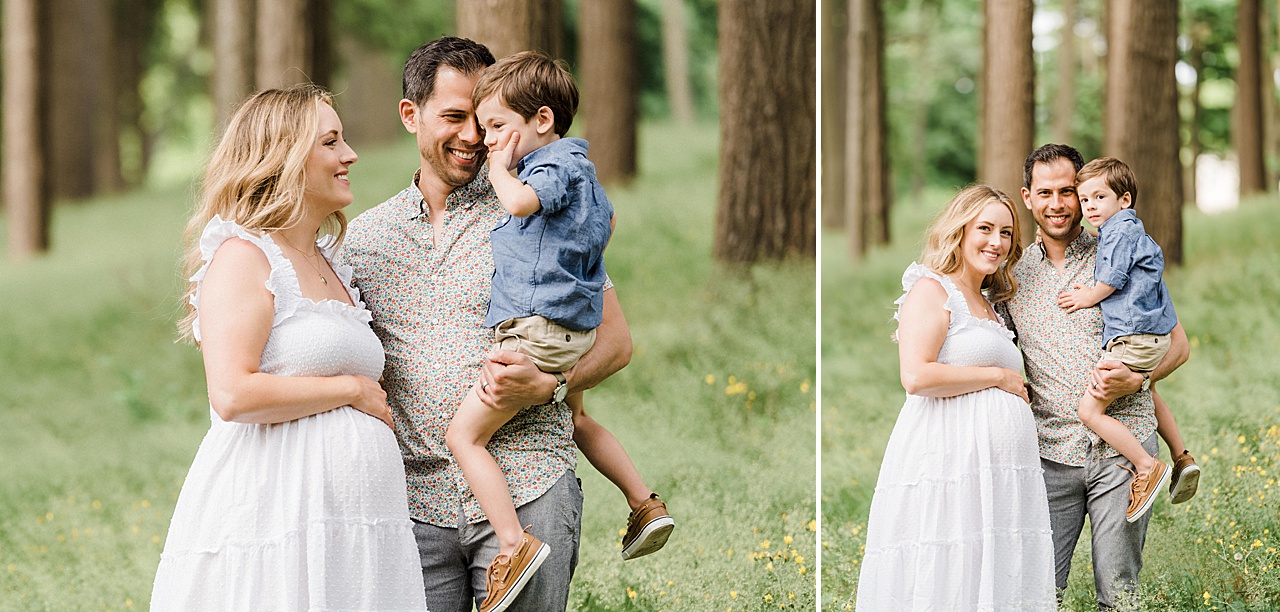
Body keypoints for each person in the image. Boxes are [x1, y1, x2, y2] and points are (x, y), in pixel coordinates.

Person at [341, 37, 633, 612]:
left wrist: (553, 385)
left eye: (482, 120)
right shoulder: (366, 239)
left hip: (528, 483)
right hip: (411, 504)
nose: (474, 137)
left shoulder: (536, 206)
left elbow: (617, 343)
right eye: (454, 117)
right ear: (410, 115)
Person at [151, 85, 426, 611]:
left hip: (357, 535)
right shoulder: (244, 256)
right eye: (330, 142)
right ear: (285, 156)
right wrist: (349, 390)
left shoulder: (334, 264)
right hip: (276, 517)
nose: (350, 155)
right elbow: (232, 393)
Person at [440, 50, 673, 610]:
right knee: (577, 416)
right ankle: (644, 503)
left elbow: (519, 204)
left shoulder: (543, 169)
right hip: (573, 325)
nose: (487, 139)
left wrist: (499, 171)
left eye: (497, 127)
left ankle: (514, 545)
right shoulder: (583, 172)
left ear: (541, 121)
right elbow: (606, 223)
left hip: (538, 328)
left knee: (463, 436)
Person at [1002, 144, 1190, 608]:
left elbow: (1178, 345)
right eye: (1046, 193)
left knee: (1118, 592)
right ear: (1028, 197)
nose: (1059, 204)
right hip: (1050, 457)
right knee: (1040, 591)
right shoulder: (1012, 275)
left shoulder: (1119, 252)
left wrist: (1139, 381)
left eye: (1069, 191)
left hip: (1123, 453)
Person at [856, 185, 1057, 610]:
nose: (996, 242)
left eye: (1006, 233)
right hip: (950, 461)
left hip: (997, 476)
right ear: (960, 231)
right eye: (985, 228)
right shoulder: (932, 290)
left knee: (992, 575)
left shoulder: (989, 303)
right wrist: (999, 375)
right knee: (949, 570)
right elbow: (916, 375)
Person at [1057, 157, 1200, 521]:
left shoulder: (1119, 232)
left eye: (1098, 198)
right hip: (1149, 337)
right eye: (1084, 199)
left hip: (1133, 337)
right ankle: (1182, 455)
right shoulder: (1127, 231)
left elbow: (1115, 274)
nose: (1089, 207)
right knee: (1147, 391)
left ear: (1124, 200)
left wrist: (1087, 295)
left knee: (1089, 410)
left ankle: (1145, 466)